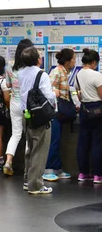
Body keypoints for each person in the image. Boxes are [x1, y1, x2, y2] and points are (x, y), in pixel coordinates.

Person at [19, 46, 56, 194]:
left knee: (30, 147)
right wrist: (56, 93)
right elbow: (48, 95)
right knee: (40, 149)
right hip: (40, 115)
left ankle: (28, 180)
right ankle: (36, 185)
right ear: (38, 60)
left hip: (26, 114)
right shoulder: (42, 75)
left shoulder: (20, 73)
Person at [43, 48, 76, 182]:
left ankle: (56, 167)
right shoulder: (57, 72)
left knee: (57, 139)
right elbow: (47, 88)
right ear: (68, 61)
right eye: (73, 59)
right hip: (55, 111)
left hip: (60, 112)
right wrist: (54, 92)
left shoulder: (65, 72)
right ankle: (48, 169)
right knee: (54, 140)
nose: (75, 61)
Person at [2, 38, 33, 176]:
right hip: (28, 104)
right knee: (29, 136)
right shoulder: (32, 70)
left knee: (16, 134)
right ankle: (28, 167)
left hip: (14, 102)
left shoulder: (10, 67)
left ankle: (8, 161)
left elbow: (7, 85)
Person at [75, 49, 102, 183]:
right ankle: (97, 175)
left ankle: (82, 173)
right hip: (97, 110)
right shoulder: (97, 75)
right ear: (93, 62)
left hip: (84, 110)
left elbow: (79, 95)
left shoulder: (78, 74)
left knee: (83, 142)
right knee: (97, 142)